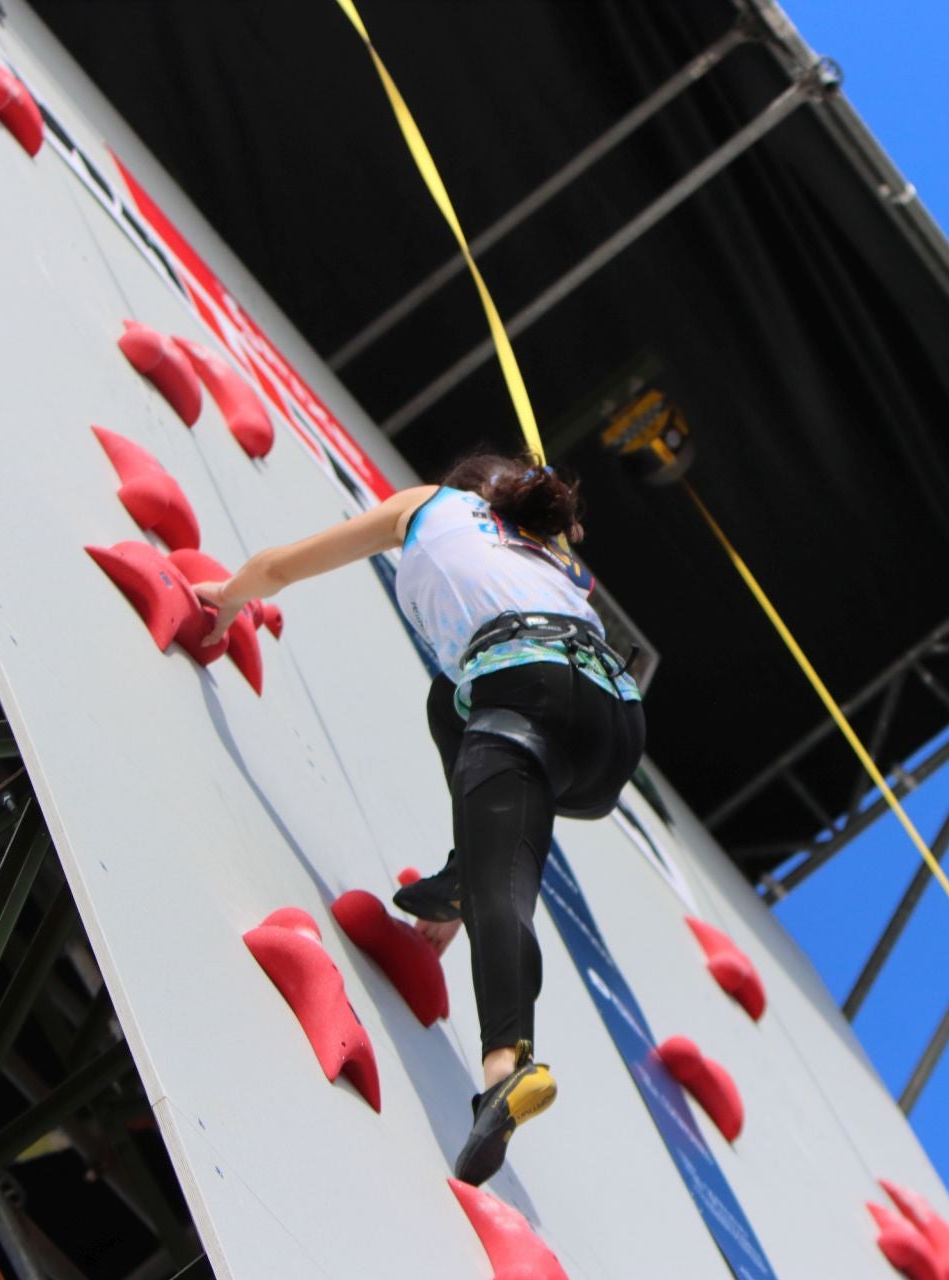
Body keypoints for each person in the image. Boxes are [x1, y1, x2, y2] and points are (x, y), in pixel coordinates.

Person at [194, 453, 644, 1185]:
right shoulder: (554, 560)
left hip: (523, 683)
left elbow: (281, 568)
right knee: (453, 698)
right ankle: (467, 871)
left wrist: (230, 595)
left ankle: (507, 1062)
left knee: (506, 883)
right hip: (614, 735)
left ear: (467, 489)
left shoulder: (429, 505)